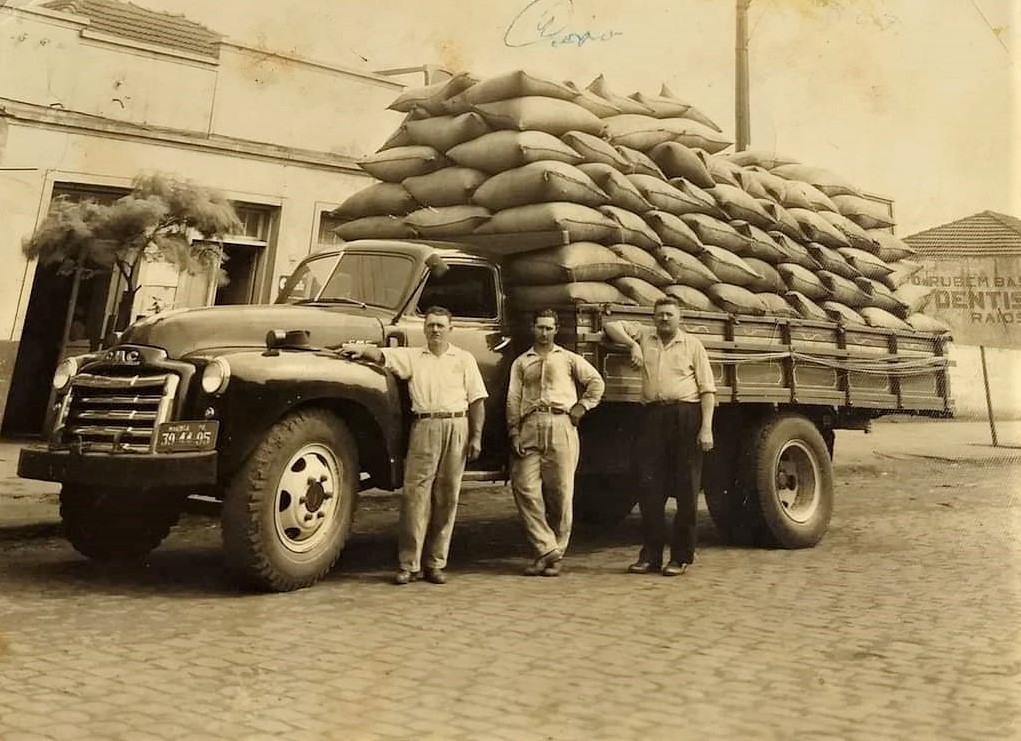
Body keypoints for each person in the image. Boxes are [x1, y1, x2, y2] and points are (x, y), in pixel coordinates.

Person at [342, 306, 487, 585]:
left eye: (440, 326)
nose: (435, 330)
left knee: (447, 497)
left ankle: (435, 563)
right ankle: (409, 564)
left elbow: (477, 400)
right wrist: (358, 350)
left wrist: (476, 437)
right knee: (415, 496)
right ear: (424, 329)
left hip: (457, 426)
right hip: (425, 427)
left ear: (450, 329)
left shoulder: (464, 359)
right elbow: (382, 355)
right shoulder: (413, 357)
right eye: (431, 325)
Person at [603, 296, 715, 577]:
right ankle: (651, 555)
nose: (664, 319)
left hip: (685, 415)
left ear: (680, 319)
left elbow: (707, 390)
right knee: (649, 487)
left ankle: (680, 556)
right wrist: (632, 345)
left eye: (669, 315)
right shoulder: (645, 336)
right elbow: (610, 325)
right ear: (653, 318)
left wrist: (706, 427)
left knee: (687, 488)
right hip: (652, 415)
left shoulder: (693, 345)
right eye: (660, 315)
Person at [506, 309, 605, 577]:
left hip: (561, 424)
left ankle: (553, 555)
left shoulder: (569, 359)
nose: (544, 332)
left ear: (556, 330)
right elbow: (513, 399)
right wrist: (514, 432)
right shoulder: (521, 362)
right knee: (524, 487)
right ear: (532, 328)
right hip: (529, 425)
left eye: (549, 328)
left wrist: (581, 407)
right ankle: (546, 548)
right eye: (540, 327)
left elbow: (596, 382)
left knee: (561, 492)